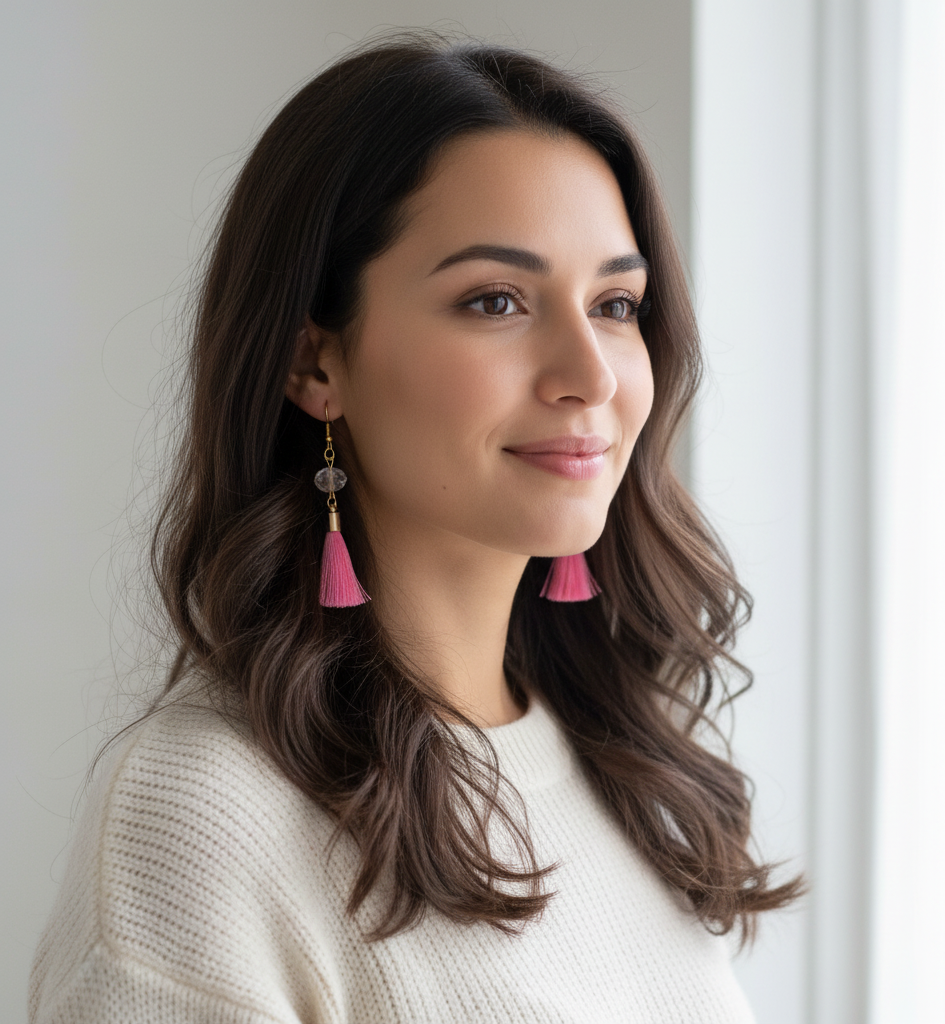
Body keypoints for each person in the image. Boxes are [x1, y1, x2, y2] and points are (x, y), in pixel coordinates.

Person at [29, 31, 801, 1023]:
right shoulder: (199, 815)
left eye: (615, 304)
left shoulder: (619, 759)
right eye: (496, 300)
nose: (592, 374)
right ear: (315, 362)